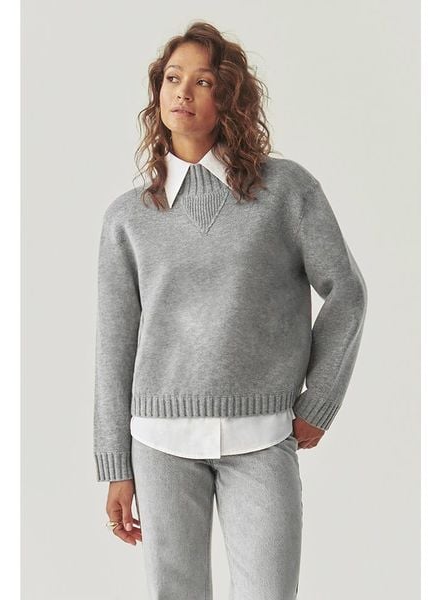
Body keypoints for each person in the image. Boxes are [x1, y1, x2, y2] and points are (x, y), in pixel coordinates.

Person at [93, 21, 368, 600]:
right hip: (159, 444)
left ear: (230, 97)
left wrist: (320, 400)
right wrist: (116, 463)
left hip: (262, 437)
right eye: (173, 78)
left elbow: (346, 289)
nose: (182, 92)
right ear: (157, 91)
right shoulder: (128, 217)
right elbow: (114, 344)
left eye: (203, 81)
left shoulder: (286, 191)